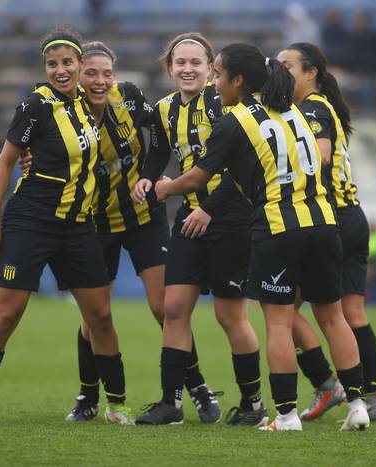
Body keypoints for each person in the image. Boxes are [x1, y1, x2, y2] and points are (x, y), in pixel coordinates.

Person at [155, 42, 369, 432]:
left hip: (277, 227)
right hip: (323, 222)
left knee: (280, 323)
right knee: (333, 318)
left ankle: (285, 415)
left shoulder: (234, 121)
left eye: (218, 74)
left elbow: (198, 178)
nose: (215, 82)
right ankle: (358, 405)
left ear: (238, 80)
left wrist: (166, 189)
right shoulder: (295, 111)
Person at [20, 41, 216, 422]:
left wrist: (147, 176)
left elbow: (158, 134)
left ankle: (197, 387)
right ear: (77, 72)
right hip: (92, 223)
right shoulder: (58, 108)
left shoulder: (127, 97)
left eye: (106, 73)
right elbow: (24, 146)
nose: (99, 80)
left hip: (144, 217)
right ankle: (88, 396)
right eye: (90, 72)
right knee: (95, 315)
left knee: (165, 308)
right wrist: (28, 157)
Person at [0, 29, 134, 426]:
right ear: (45, 68)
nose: (60, 70)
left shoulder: (89, 106)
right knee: (5, 317)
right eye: (53, 64)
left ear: (81, 67)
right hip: (30, 223)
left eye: (68, 63)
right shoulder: (36, 105)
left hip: (77, 226)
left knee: (100, 316)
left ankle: (117, 405)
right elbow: (4, 162)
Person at [132, 33, 267, 427]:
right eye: (180, 62)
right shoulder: (163, 109)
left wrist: (209, 208)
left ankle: (253, 404)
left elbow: (239, 166)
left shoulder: (224, 104)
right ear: (168, 68)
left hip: (230, 218)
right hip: (188, 219)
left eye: (196, 62)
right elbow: (158, 150)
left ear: (211, 68)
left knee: (230, 315)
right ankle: (171, 404)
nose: (187, 69)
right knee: (173, 308)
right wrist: (145, 177)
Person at [276, 42, 376, 422]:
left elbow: (320, 156)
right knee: (351, 312)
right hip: (351, 216)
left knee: (282, 308)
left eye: (287, 66)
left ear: (311, 73)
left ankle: (327, 383)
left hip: (329, 219)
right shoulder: (314, 107)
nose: (280, 71)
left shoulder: (311, 108)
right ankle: (371, 396)